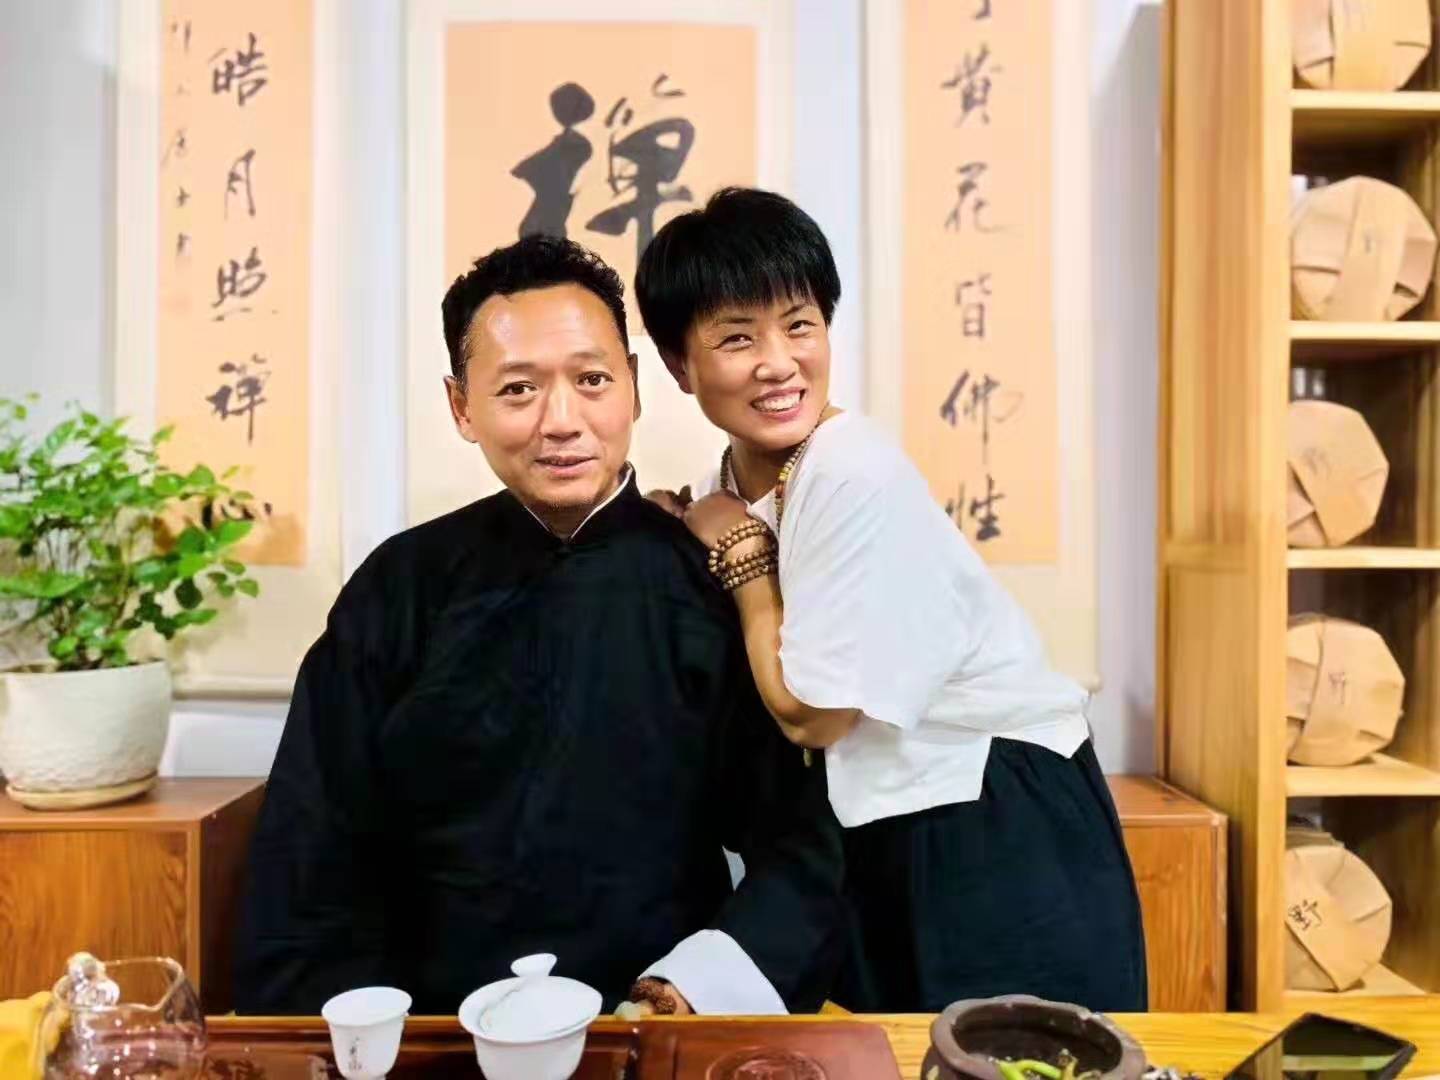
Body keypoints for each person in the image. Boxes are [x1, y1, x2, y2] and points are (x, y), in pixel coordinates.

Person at [234, 234, 845, 1017]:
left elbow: (800, 846)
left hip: (651, 1026)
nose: (562, 421)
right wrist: (363, 1036)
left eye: (592, 380)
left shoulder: (712, 580)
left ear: (634, 388)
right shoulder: (401, 586)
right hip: (432, 1029)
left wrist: (687, 992)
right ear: (462, 407)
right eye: (519, 389)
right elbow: (311, 852)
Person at [636, 187, 1147, 1014]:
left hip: (995, 811)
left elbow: (813, 713)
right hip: (890, 818)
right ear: (678, 366)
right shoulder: (724, 485)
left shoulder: (849, 468)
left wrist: (743, 559)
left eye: (800, 325)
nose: (779, 362)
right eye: (738, 337)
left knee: (1025, 1058)